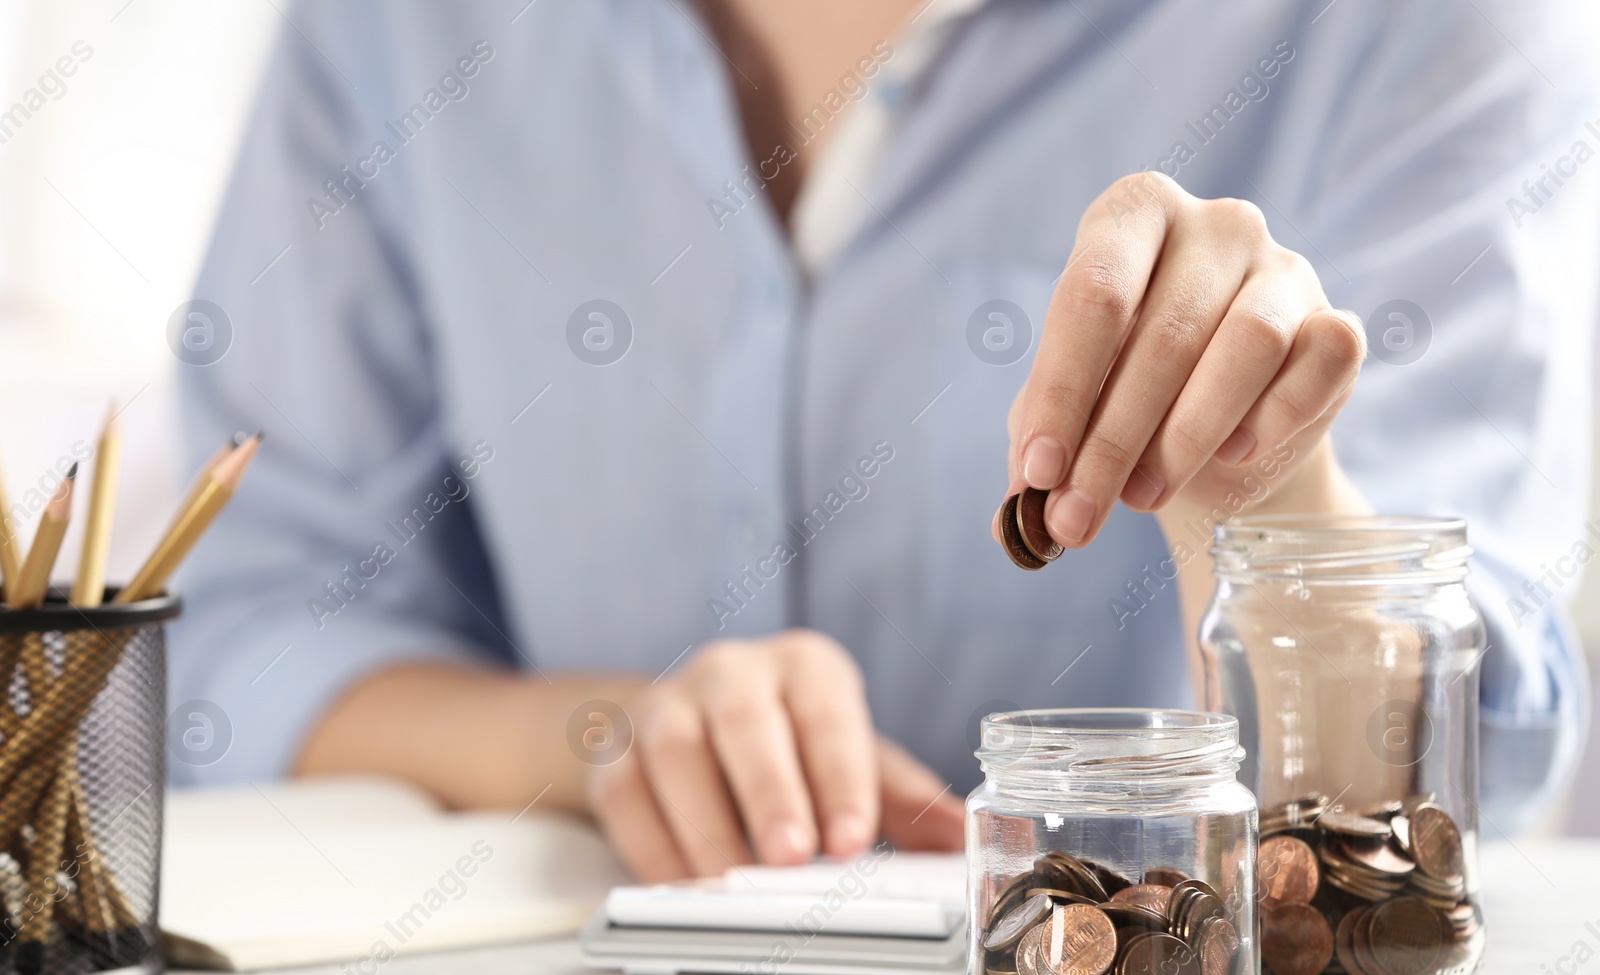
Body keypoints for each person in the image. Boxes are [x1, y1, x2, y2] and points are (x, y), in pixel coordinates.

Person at [172, 0, 1599, 880]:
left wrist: (1266, 497)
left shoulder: (1425, 21)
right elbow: (243, 623)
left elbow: (1456, 792)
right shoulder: (388, 28)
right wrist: (610, 737)